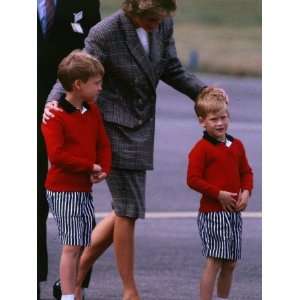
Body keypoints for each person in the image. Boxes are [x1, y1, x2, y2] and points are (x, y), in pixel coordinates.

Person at [43, 1, 226, 299]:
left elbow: (172, 68)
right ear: (133, 11)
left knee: (125, 208)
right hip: (112, 127)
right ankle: (129, 290)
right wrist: (54, 103)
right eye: (151, 19)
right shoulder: (106, 32)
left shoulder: (163, 22)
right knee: (128, 210)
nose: (157, 24)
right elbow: (75, 70)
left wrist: (204, 92)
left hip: (141, 126)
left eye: (160, 18)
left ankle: (75, 275)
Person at [37, 1, 101, 298]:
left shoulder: (86, 2)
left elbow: (94, 49)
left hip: (68, 109)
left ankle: (74, 288)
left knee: (78, 234)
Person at [41, 50, 112, 300]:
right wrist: (88, 166)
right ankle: (69, 295)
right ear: (78, 85)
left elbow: (102, 142)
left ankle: (72, 290)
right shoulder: (54, 117)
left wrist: (103, 167)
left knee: (82, 243)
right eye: (96, 83)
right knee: (71, 246)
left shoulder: (91, 110)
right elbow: (57, 156)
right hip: (63, 189)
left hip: (83, 189)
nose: (100, 88)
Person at [186, 87, 253, 300]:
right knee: (215, 260)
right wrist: (218, 194)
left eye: (223, 117)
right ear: (202, 121)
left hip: (233, 213)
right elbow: (193, 179)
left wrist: (246, 192)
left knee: (230, 262)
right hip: (212, 214)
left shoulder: (237, 145)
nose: (220, 123)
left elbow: (246, 172)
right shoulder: (201, 149)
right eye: (214, 119)